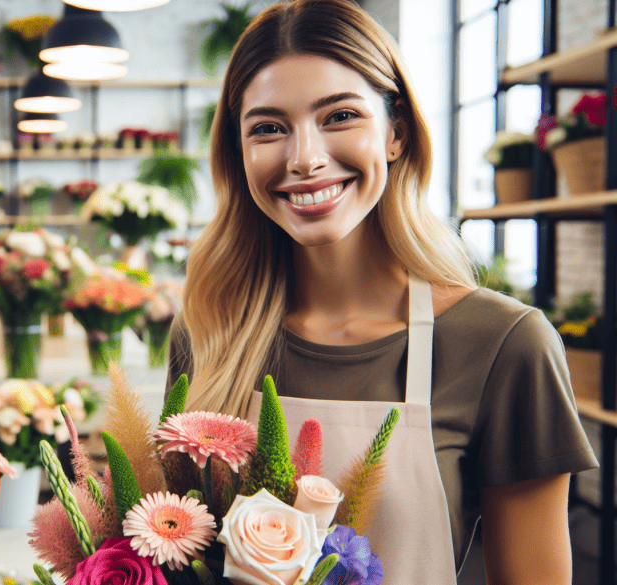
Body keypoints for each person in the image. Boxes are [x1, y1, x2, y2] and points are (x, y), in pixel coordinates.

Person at [165, 1, 598, 583]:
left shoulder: (502, 344)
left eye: (339, 116)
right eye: (268, 128)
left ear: (396, 133)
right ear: (238, 154)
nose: (305, 159)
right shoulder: (208, 332)